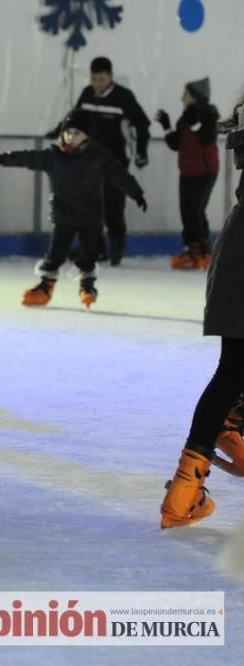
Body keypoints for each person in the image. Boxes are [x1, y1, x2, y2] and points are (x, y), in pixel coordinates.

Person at [159, 96, 244, 528]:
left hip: (237, 250)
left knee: (232, 369)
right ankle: (234, 426)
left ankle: (184, 492)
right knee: (234, 371)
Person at [0, 110, 147, 308]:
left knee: (88, 254)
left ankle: (87, 285)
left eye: (78, 133)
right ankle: (45, 285)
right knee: (55, 254)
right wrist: (4, 158)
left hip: (90, 217)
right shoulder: (53, 156)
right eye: (69, 132)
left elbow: (119, 175)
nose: (72, 137)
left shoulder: (98, 156)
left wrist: (136, 193)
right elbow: (29, 158)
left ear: (88, 136)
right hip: (63, 216)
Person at [48, 56, 151, 265]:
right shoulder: (88, 94)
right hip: (88, 160)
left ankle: (117, 245)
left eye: (101, 79)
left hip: (116, 160)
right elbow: (75, 118)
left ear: (110, 77)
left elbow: (142, 123)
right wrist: (59, 132)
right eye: (94, 79)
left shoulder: (123, 97)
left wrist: (141, 151)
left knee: (113, 205)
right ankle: (95, 249)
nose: (97, 83)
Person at [156, 77, 220, 270]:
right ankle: (191, 251)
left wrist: (194, 123)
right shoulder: (185, 117)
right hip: (187, 172)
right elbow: (175, 144)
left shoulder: (209, 114)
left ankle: (203, 251)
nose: (182, 97)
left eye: (186, 94)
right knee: (187, 213)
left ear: (195, 97)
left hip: (205, 171)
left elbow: (207, 138)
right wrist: (166, 125)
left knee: (195, 211)